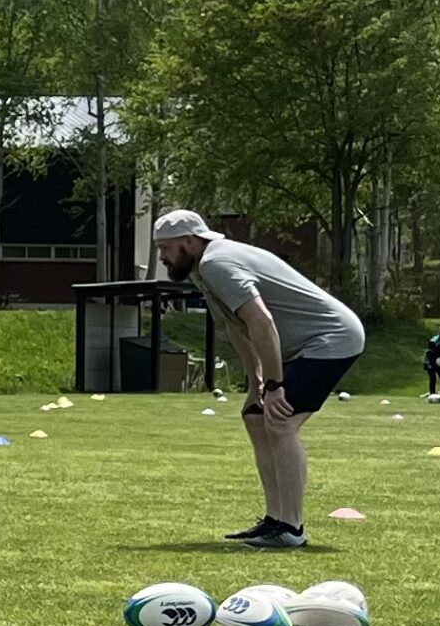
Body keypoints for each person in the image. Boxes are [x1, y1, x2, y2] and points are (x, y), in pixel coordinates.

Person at [153, 209, 365, 551]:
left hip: (332, 337)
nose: (162, 256)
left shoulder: (217, 263)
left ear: (190, 242)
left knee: (281, 422)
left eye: (165, 248)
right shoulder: (202, 269)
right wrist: (256, 383)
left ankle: (291, 529)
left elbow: (262, 322)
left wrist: (275, 386)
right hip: (299, 345)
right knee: (255, 416)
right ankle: (274, 520)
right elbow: (237, 328)